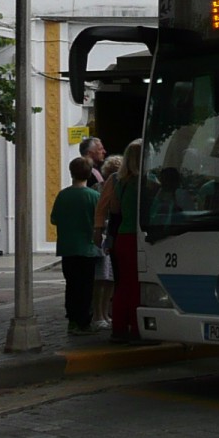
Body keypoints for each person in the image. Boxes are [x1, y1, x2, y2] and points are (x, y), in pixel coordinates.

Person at [95, 139, 143, 343]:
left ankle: (120, 326)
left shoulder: (115, 180)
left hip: (120, 237)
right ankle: (136, 328)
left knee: (122, 284)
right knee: (137, 285)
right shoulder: (146, 181)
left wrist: (98, 231)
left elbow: (103, 208)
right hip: (139, 238)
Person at [51, 157, 101, 336]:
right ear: (89, 173)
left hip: (67, 247)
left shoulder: (63, 195)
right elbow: (101, 220)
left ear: (71, 172)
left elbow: (54, 219)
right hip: (88, 248)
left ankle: (72, 320)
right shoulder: (94, 196)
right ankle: (84, 322)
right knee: (86, 287)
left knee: (71, 285)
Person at [91, 154, 122, 330]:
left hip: (109, 234)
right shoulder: (99, 188)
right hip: (104, 234)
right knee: (101, 278)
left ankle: (105, 313)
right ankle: (98, 314)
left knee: (109, 278)